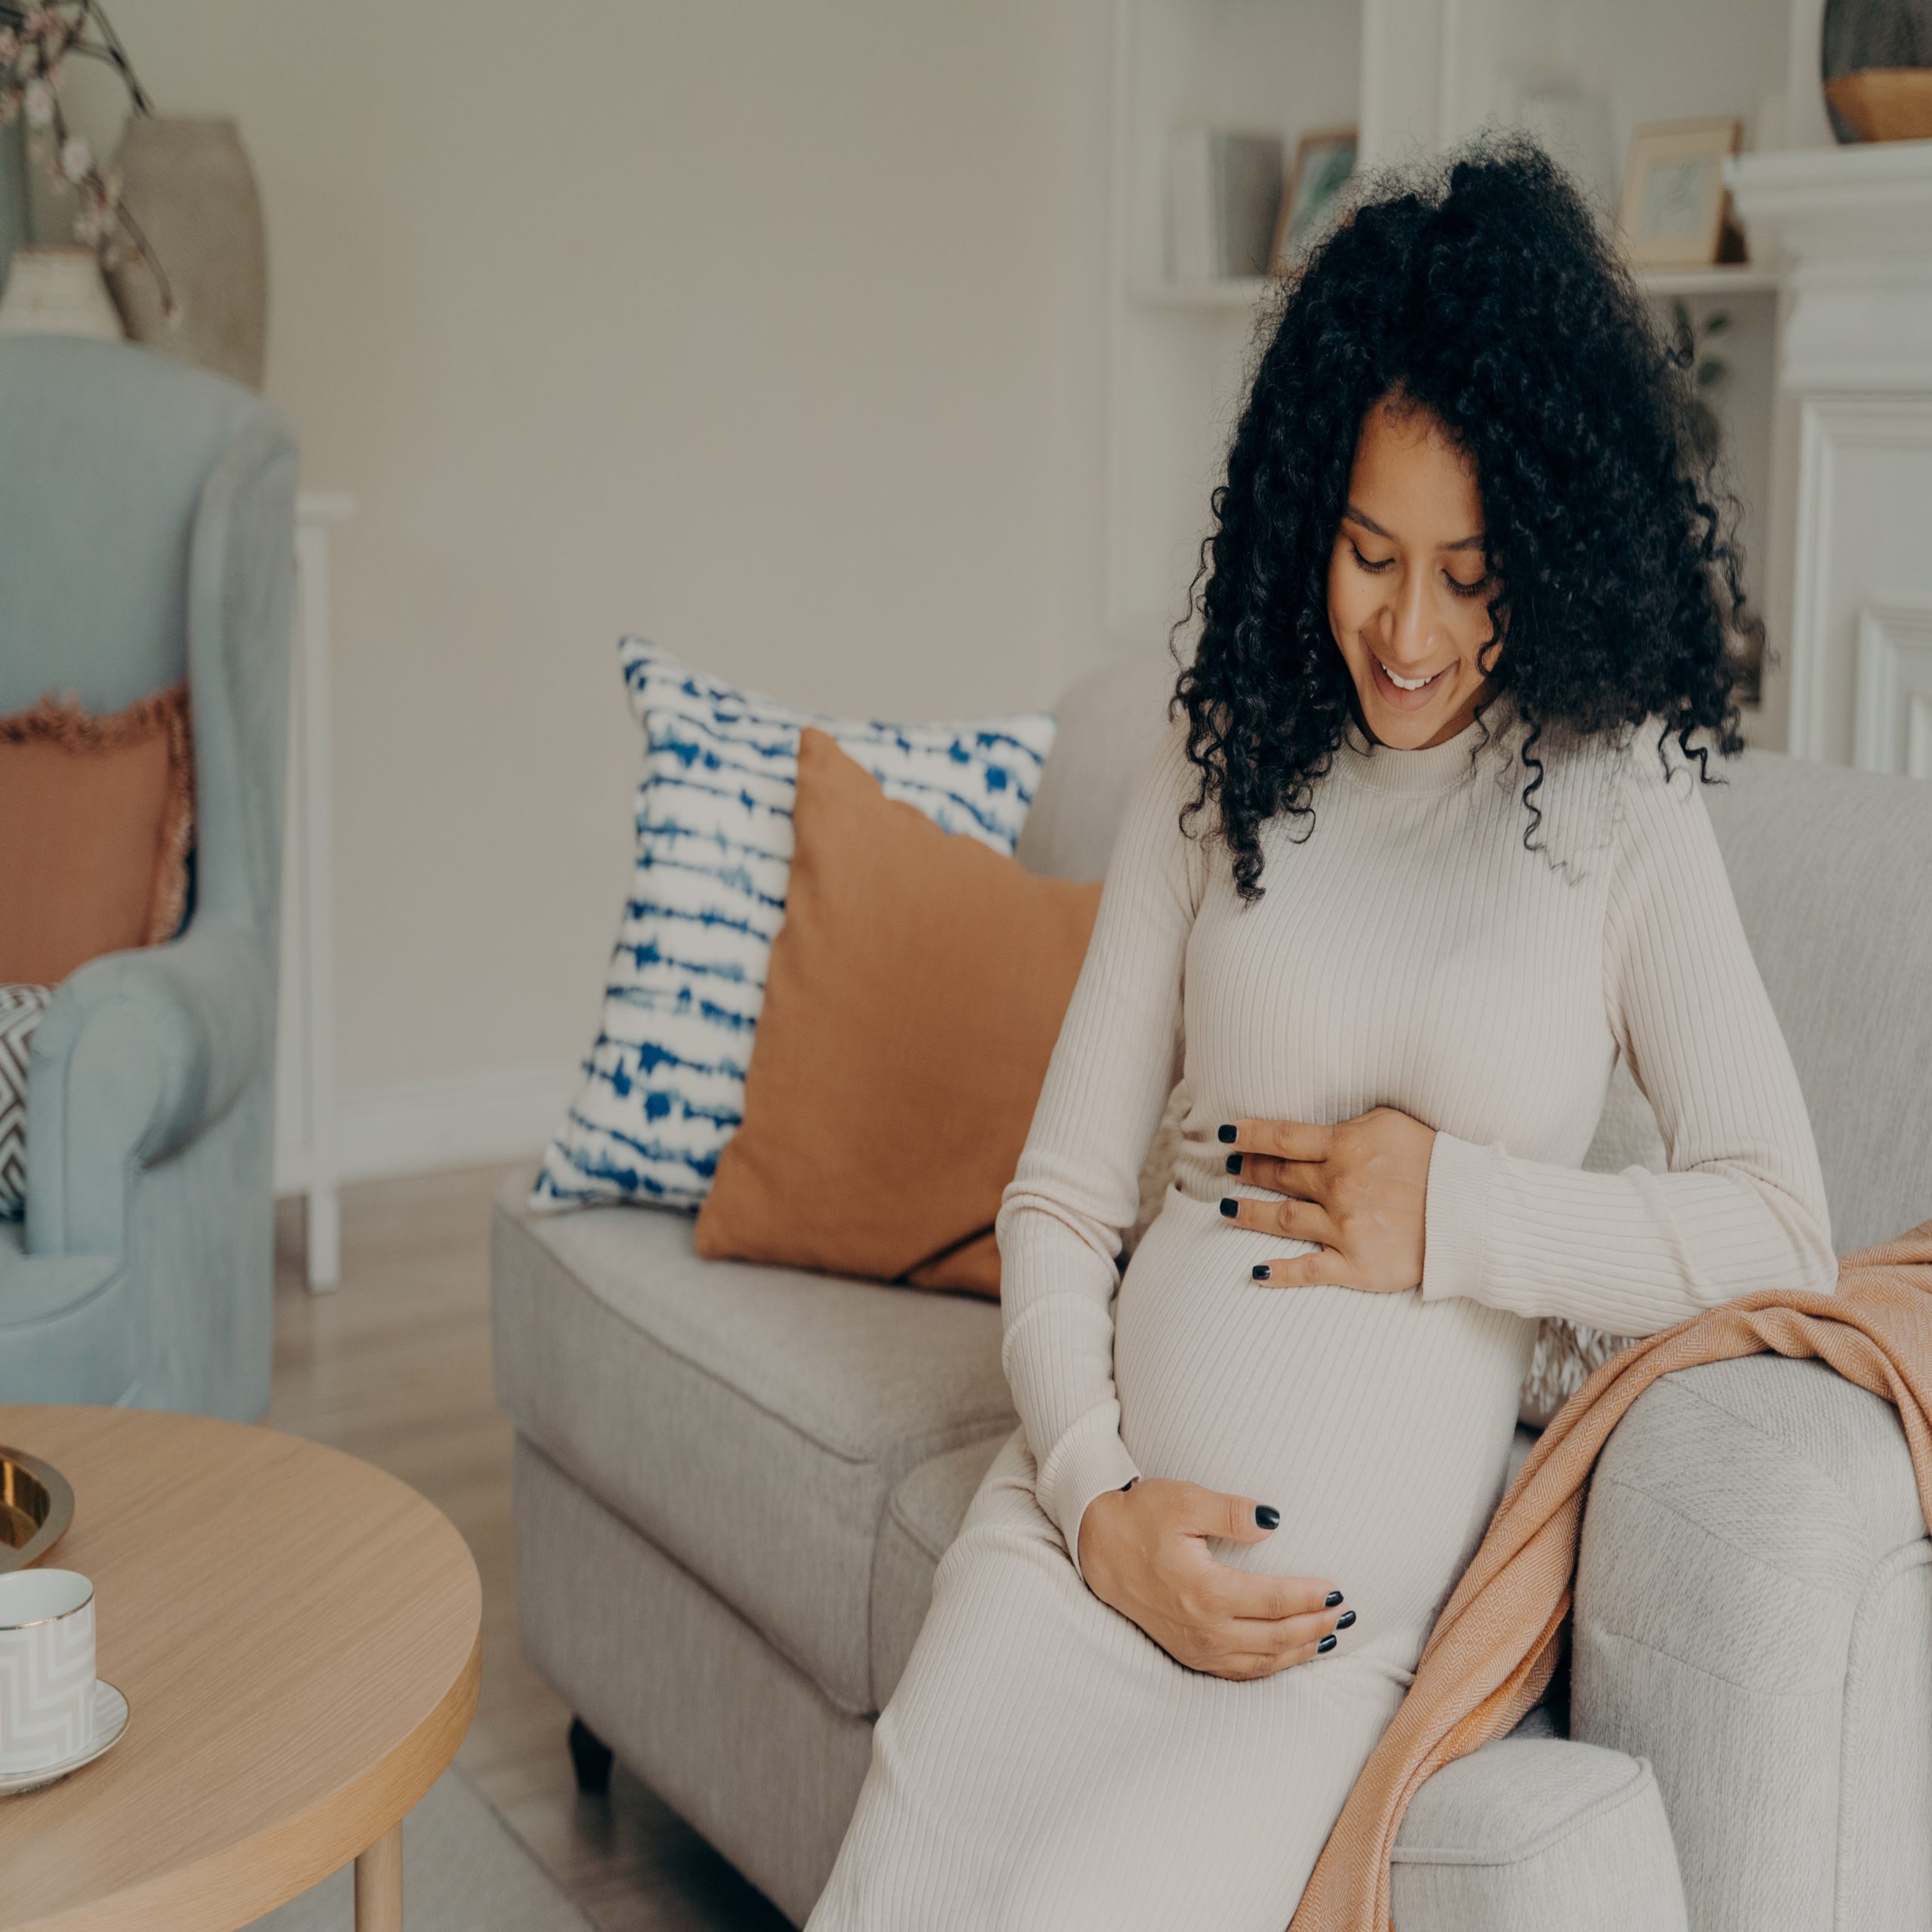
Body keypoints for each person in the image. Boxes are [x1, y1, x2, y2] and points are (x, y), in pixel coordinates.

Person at [804, 138, 1835, 1932]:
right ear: (1308, 521)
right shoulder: (1220, 771)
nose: (1410, 631)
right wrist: (1097, 1500)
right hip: (1070, 1562)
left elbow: (1777, 1220)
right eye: (1368, 555)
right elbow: (1053, 1200)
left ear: (1551, 536)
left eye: (1467, 568)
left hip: (1302, 1657)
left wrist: (1452, 1210)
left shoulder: (1617, 811)